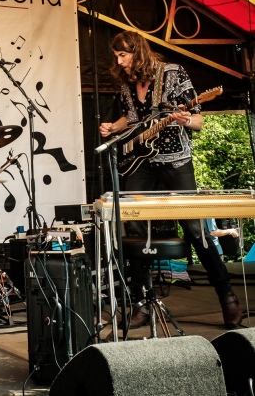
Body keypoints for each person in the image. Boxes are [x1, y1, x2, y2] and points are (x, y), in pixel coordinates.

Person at [98, 30, 242, 329]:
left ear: (138, 51)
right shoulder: (127, 83)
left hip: (176, 159)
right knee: (132, 223)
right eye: (116, 56)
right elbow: (133, 117)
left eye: (123, 55)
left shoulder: (173, 74)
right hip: (142, 160)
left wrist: (185, 118)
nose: (119, 61)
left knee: (194, 228)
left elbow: (199, 119)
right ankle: (142, 303)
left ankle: (228, 299)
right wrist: (113, 127)